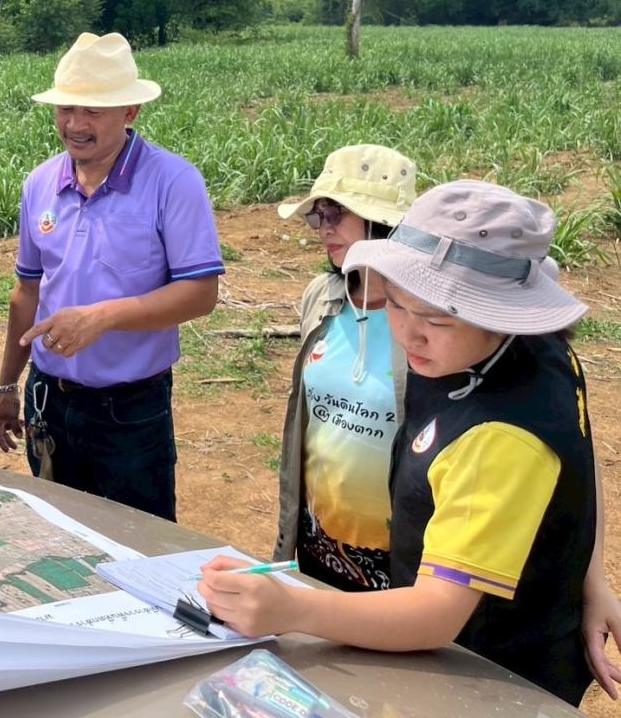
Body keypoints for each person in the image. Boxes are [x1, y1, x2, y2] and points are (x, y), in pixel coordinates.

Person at [200, 181, 606, 704]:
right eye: (395, 304)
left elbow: (437, 614)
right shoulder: (521, 350)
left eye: (437, 319)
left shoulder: (498, 437)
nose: (409, 335)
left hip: (487, 677)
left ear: (500, 314)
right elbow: (581, 451)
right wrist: (593, 582)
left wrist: (293, 610)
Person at [0, 32, 223, 522]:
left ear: (130, 111)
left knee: (140, 541)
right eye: (66, 108)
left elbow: (200, 293)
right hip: (48, 397)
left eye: (93, 111)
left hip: (131, 409)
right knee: (61, 536)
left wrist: (103, 318)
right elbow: (27, 290)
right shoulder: (40, 183)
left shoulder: (173, 182)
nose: (75, 124)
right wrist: (8, 386)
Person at [273, 144, 416, 592]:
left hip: (402, 558)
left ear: (382, 223)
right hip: (319, 543)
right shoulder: (321, 296)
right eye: (317, 217)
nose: (323, 229)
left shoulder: (427, 318)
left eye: (335, 215)